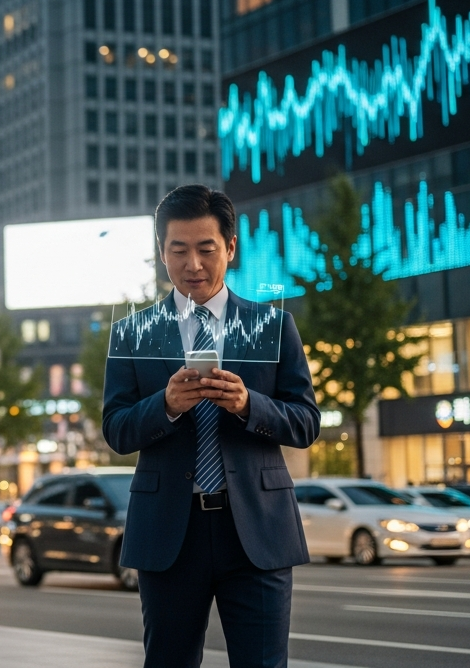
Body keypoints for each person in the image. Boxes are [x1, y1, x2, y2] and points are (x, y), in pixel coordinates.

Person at [101, 185, 320, 668]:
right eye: (179, 250)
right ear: (162, 253)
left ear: (231, 249)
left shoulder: (273, 326)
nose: (193, 265)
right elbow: (116, 430)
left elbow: (306, 423)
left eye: (206, 249)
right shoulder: (131, 333)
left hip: (258, 531)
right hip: (168, 534)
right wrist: (166, 405)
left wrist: (248, 405)